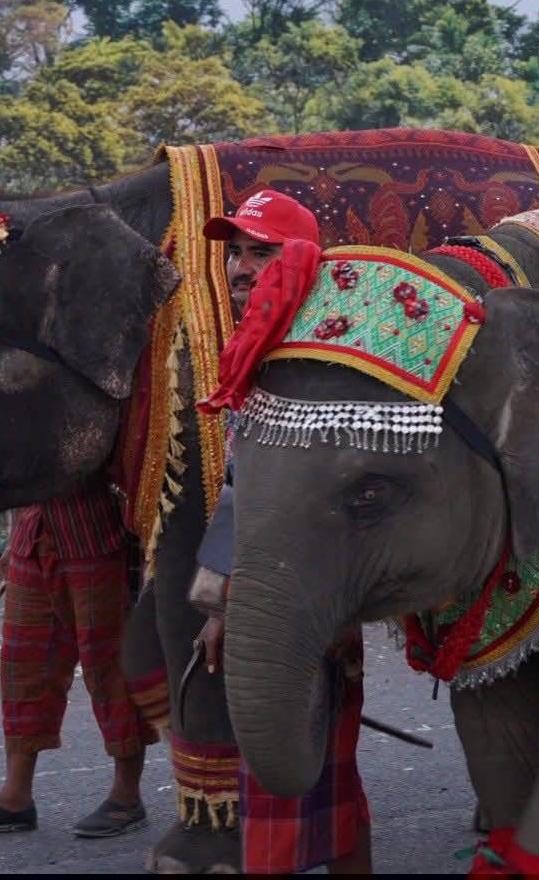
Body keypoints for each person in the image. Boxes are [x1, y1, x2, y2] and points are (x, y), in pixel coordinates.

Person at [197, 190, 374, 875]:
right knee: (317, 775)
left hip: (314, 602)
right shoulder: (257, 350)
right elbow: (240, 489)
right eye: (235, 253)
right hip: (265, 599)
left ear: (299, 259)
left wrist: (343, 608)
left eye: (261, 252)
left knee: (296, 776)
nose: (240, 267)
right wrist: (220, 605)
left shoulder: (335, 353)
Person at [0, 477, 155, 839]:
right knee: (23, 663)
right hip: (32, 537)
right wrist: (13, 542)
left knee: (109, 666)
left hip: (96, 534)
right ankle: (15, 797)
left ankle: (127, 796)